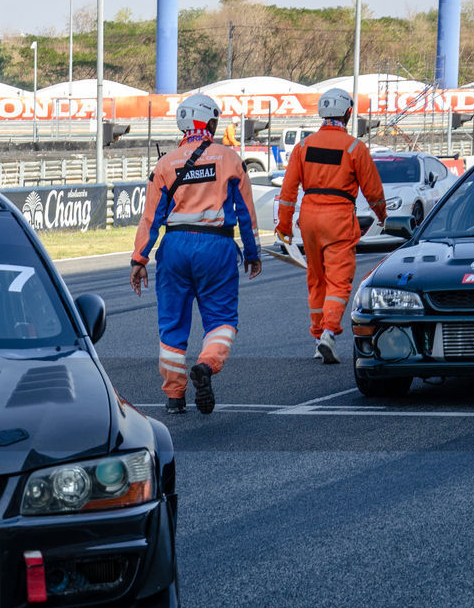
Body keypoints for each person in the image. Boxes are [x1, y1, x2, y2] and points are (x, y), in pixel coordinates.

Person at [130, 93, 262, 415]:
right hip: (216, 247)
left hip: (174, 248)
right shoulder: (229, 159)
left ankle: (175, 395)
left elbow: (151, 217)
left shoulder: (165, 164)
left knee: (172, 324)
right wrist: (253, 251)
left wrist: (139, 260)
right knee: (221, 319)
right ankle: (206, 364)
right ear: (209, 122)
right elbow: (245, 211)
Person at [276, 88, 386, 364]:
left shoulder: (303, 146)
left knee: (316, 278)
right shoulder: (354, 148)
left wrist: (284, 227)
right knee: (339, 280)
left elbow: (288, 192)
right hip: (338, 218)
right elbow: (373, 191)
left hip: (309, 218)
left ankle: (317, 337)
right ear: (348, 113)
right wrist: (383, 216)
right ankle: (328, 333)